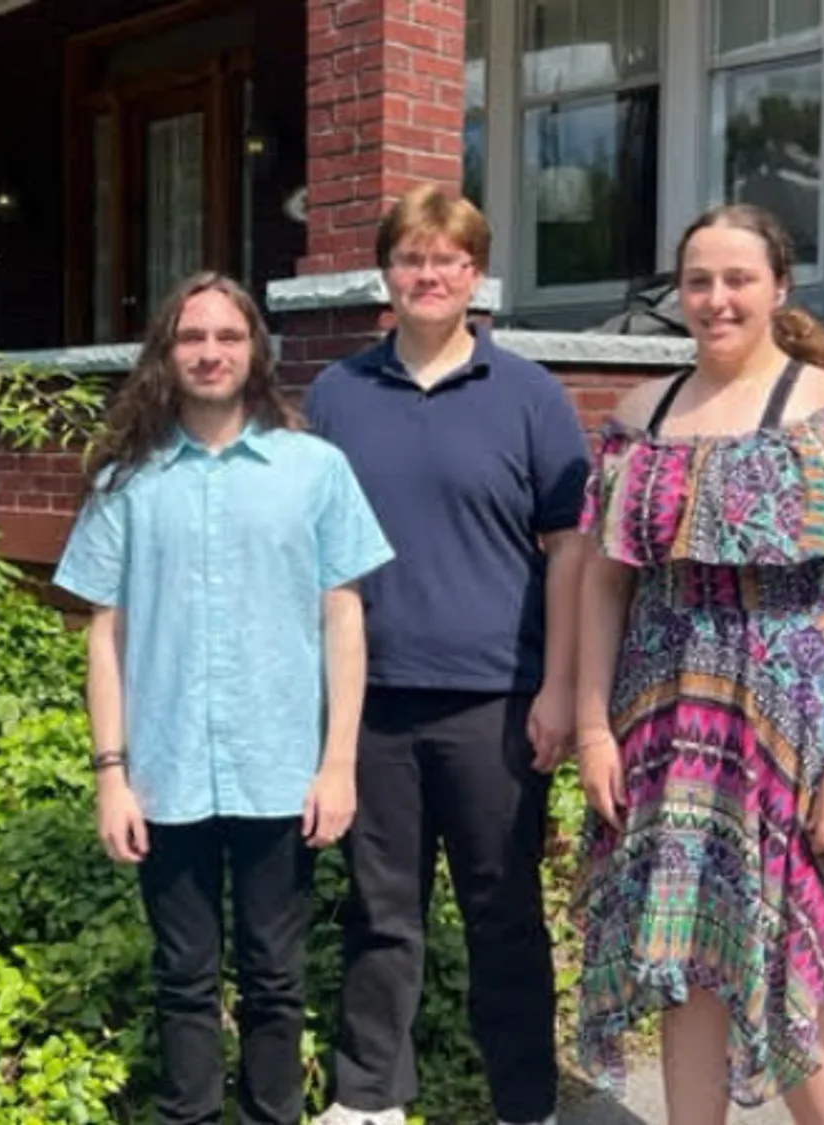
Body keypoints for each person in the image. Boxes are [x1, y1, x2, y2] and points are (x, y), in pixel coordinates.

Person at [572, 202, 824, 1124]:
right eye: (698, 281)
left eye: (738, 279)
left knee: (797, 975)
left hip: (804, 734)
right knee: (688, 961)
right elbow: (603, 584)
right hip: (668, 731)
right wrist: (590, 727)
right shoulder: (636, 420)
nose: (716, 299)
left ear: (778, 287)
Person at [54, 271, 394, 1125]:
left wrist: (338, 764)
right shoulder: (124, 480)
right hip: (164, 774)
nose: (210, 352)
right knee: (182, 977)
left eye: (228, 337)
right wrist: (110, 773)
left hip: (281, 768)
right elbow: (106, 633)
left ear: (256, 352)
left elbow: (343, 619)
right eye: (192, 337)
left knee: (278, 978)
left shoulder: (314, 469)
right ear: (166, 353)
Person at [305, 186, 590, 1125]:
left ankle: (525, 1102)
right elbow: (312, 551)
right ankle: (369, 1097)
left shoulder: (530, 396)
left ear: (476, 274)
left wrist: (560, 689)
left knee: (503, 914)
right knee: (381, 913)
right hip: (374, 700)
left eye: (450, 259)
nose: (430, 275)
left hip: (496, 703)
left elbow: (569, 555)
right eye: (412, 258)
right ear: (386, 273)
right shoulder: (339, 394)